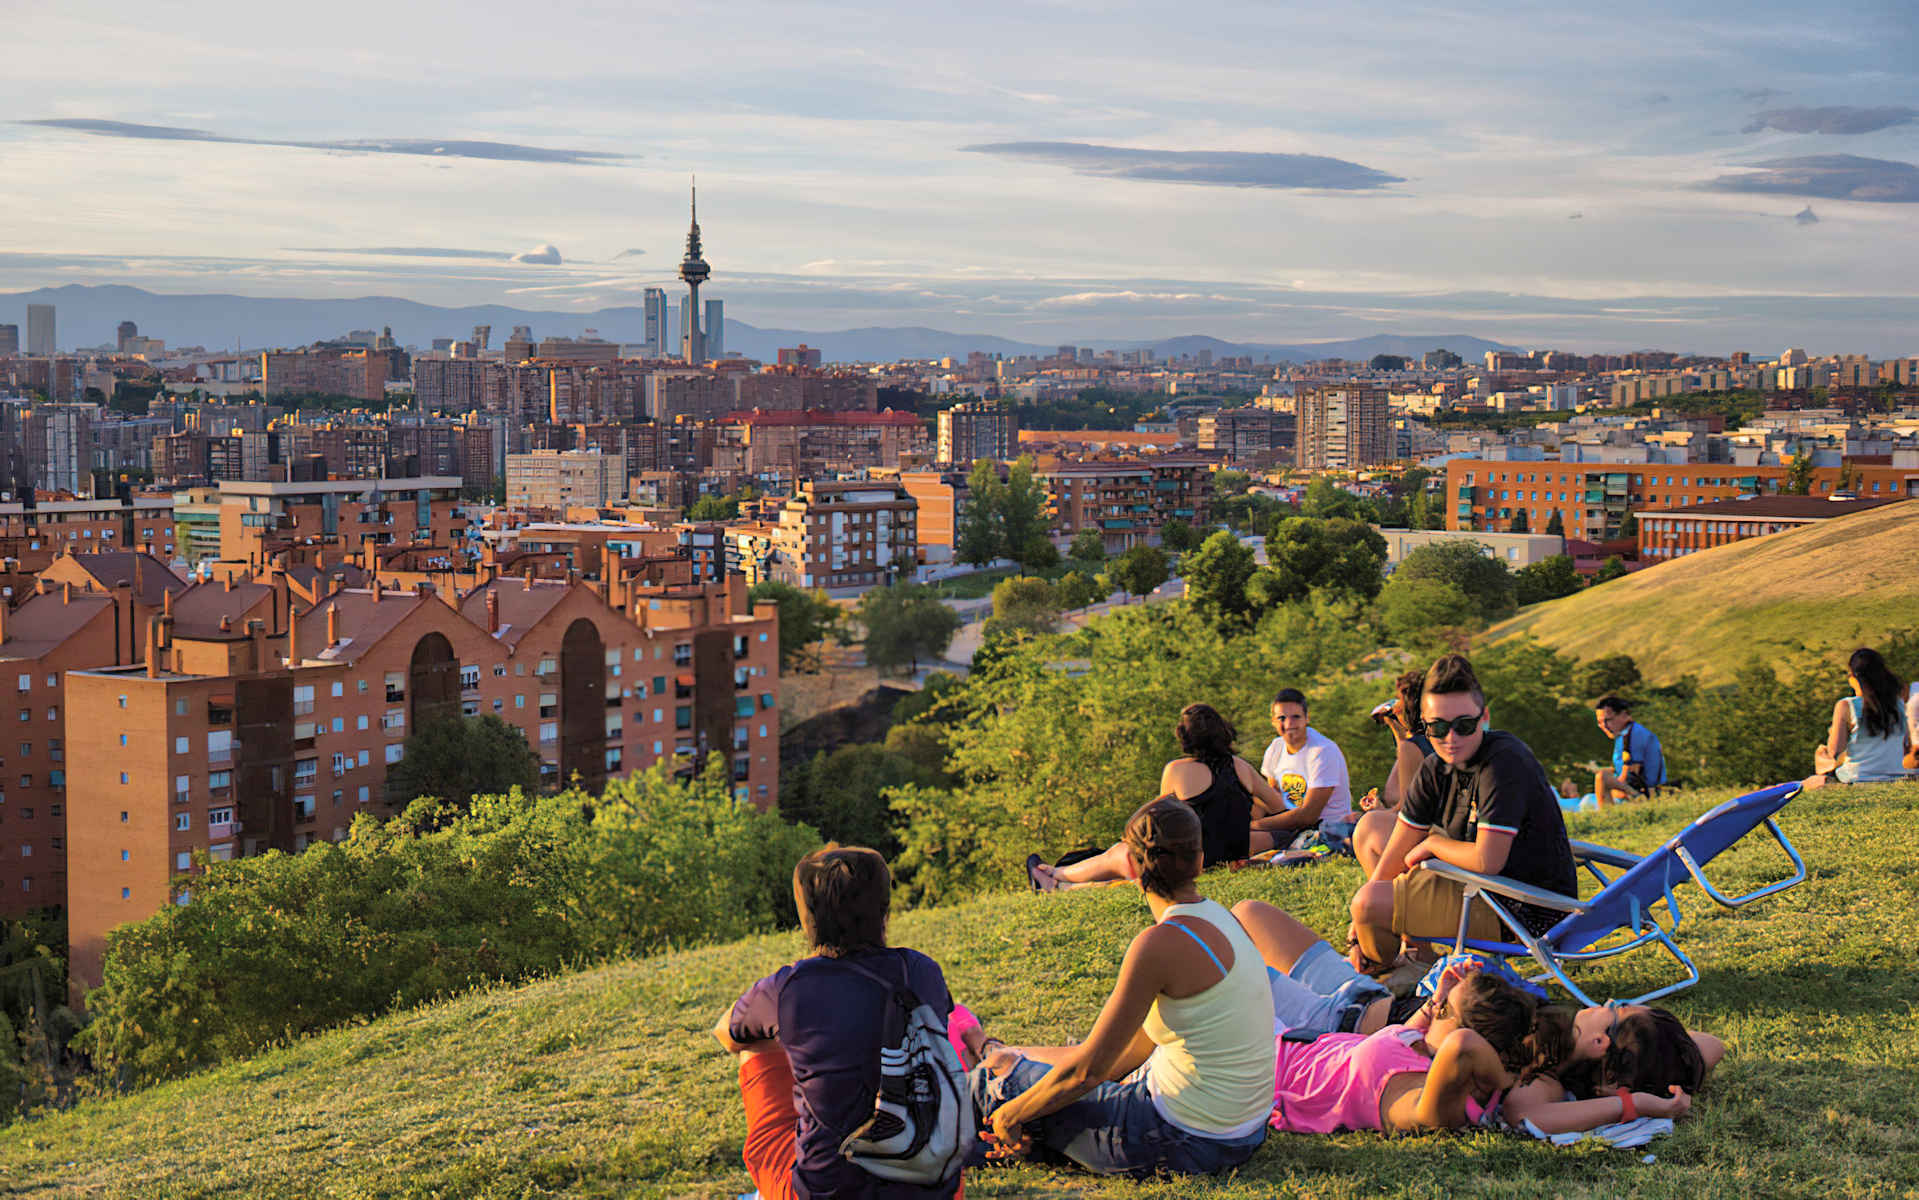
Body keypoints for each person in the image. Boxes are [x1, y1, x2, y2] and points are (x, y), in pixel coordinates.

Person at [973, 798, 1276, 1177]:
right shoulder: (1220, 917)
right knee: (1012, 1060)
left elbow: (1087, 1073)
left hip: (1184, 1142)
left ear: (1130, 865)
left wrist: (1010, 1114)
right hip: (1243, 1133)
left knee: (992, 1077)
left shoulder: (1159, 943)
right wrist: (1027, 1063)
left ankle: (932, 1150)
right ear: (1199, 861)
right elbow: (1131, 1051)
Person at [712, 845, 961, 1200]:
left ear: (807, 918)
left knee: (755, 1044)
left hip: (825, 1192)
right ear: (884, 909)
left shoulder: (788, 989)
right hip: (937, 1189)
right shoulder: (922, 971)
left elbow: (727, 1033)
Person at [1347, 654, 1578, 975]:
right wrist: (1356, 930)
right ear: (1423, 724)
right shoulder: (1434, 768)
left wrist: (1432, 846)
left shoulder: (1502, 763)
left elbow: (1488, 860)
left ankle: (1388, 975)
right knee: (1372, 831)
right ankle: (1401, 956)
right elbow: (1397, 850)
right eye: (1438, 727)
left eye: (1464, 725)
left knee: (1368, 904)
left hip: (1523, 910)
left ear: (1484, 717)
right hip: (1478, 886)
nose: (1451, 739)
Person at [1029, 704, 1288, 890]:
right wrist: (1251, 819)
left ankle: (1054, 874)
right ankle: (1058, 882)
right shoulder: (1241, 767)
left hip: (1190, 860)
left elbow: (1159, 821)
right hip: (1232, 853)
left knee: (1120, 853)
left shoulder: (1177, 770)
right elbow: (1279, 808)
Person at [1503, 1002, 1724, 1132]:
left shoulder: (1547, 1076)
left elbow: (1521, 1113)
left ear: (1599, 1042)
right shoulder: (1564, 1046)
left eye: (1616, 1008)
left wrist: (1632, 1103)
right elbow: (1713, 1044)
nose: (1604, 1004)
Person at [1253, 688, 1356, 850]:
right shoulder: (1275, 748)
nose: (1288, 724)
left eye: (1296, 717)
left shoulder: (1322, 751)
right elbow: (1272, 798)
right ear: (1273, 721)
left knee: (1248, 841)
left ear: (1307, 718)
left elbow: (1308, 815)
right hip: (1289, 825)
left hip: (1324, 829)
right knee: (1238, 839)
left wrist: (1256, 825)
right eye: (1281, 718)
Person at [1804, 648, 1912, 788]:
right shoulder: (1899, 704)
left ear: (1854, 678)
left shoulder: (1846, 706)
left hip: (1857, 776)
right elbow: (1905, 745)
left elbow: (1835, 751)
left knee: (1822, 756)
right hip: (1895, 774)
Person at [1363, 669, 1434, 816]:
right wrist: (1395, 727)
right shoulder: (1435, 739)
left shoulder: (1414, 747)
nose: (1395, 709)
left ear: (1409, 705)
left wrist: (1378, 811)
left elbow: (1406, 812)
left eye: (1399, 700)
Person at [1592, 696, 1666, 804]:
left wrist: (1611, 787)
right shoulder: (1623, 735)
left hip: (1645, 794)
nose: (1604, 726)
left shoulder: (1633, 737)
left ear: (1624, 715)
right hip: (1633, 790)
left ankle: (1608, 816)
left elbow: (1631, 778)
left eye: (1608, 720)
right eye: (1600, 723)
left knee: (1601, 778)